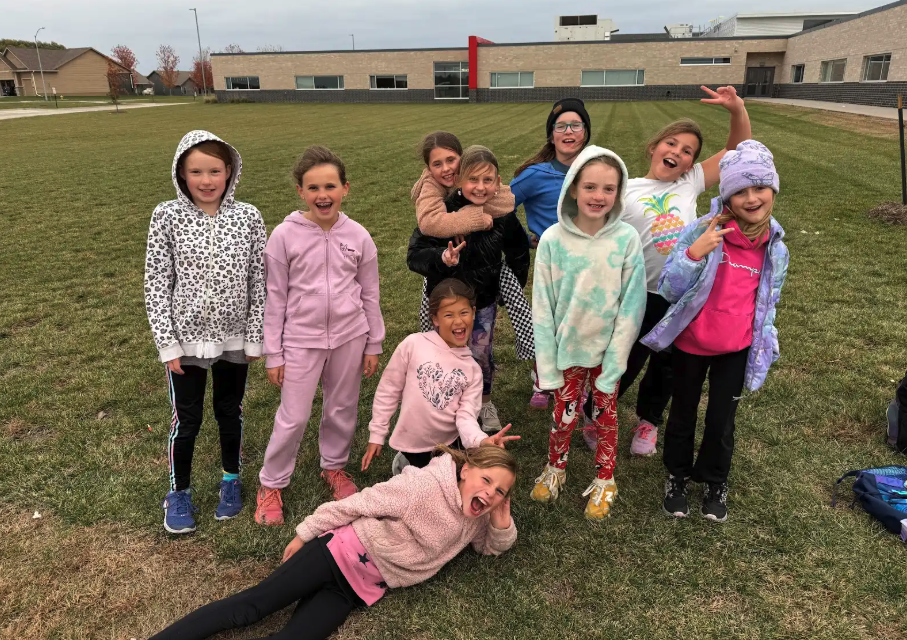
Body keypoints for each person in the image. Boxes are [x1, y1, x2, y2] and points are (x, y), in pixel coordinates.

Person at [149, 445, 517, 640]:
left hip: (356, 589)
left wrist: (501, 520)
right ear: (465, 470)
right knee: (251, 608)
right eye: (486, 480)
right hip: (332, 553)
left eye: (500, 492)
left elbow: (490, 547)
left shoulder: (477, 519)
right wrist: (306, 532)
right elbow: (360, 502)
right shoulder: (422, 487)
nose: (490, 493)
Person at [641, 140, 789, 523]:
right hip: (691, 344)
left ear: (773, 189)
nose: (751, 198)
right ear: (727, 195)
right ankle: (677, 476)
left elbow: (767, 302)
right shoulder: (700, 232)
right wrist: (694, 253)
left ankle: (714, 480)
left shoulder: (775, 248)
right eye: (740, 190)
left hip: (735, 349)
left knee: (722, 419)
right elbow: (671, 289)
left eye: (759, 188)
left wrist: (765, 342)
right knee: (683, 414)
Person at [603, 86, 752, 457]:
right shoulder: (626, 188)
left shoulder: (690, 183)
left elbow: (737, 152)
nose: (678, 153)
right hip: (634, 292)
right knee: (624, 357)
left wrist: (737, 110)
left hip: (679, 292)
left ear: (690, 166)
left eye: (687, 152)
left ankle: (649, 421)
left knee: (667, 363)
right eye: (671, 144)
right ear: (653, 147)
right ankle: (599, 413)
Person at [144, 130, 267, 534]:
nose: (207, 180)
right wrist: (167, 344)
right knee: (188, 419)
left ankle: (231, 479)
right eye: (196, 171)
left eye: (214, 170)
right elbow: (156, 282)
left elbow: (259, 280)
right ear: (182, 172)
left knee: (229, 411)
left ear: (229, 171)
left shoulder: (248, 216)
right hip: (186, 340)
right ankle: (178, 492)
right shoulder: (167, 215)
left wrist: (253, 335)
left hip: (234, 338)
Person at [255, 145, 385, 526]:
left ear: (346, 188)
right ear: (300, 192)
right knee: (293, 417)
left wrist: (373, 342)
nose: (322, 195)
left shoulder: (359, 236)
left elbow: (370, 293)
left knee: (342, 408)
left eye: (330, 186)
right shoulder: (283, 237)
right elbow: (275, 297)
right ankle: (272, 483)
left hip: (350, 336)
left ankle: (333, 467)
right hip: (299, 340)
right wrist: (273, 353)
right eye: (313, 188)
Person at [529, 145, 646, 519]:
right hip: (567, 351)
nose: (599, 196)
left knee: (605, 418)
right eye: (591, 187)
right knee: (562, 416)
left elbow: (632, 305)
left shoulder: (626, 239)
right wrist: (546, 365)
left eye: (608, 189)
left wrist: (615, 361)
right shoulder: (551, 240)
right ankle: (555, 469)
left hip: (607, 352)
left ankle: (605, 479)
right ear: (573, 189)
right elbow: (543, 307)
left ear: (619, 193)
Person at [408, 146, 530, 435]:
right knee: (442, 356)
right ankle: (443, 408)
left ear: (498, 182)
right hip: (446, 304)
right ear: (460, 180)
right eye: (473, 180)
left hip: (483, 301)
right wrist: (441, 258)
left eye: (488, 180)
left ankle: (484, 403)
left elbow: (519, 250)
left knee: (481, 354)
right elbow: (414, 255)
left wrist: (510, 284)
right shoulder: (444, 215)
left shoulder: (502, 216)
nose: (480, 187)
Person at [361, 278, 520, 474]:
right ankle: (405, 461)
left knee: (451, 488)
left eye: (464, 312)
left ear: (473, 313)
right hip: (411, 441)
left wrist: (481, 440)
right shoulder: (413, 344)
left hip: (449, 444)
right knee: (415, 491)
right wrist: (377, 433)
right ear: (435, 318)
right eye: (448, 314)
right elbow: (388, 390)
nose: (458, 321)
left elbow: (466, 417)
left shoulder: (473, 370)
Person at [510, 97, 592, 411]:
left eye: (576, 125)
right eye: (561, 126)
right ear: (552, 134)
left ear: (585, 131)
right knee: (548, 326)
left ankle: (578, 385)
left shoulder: (596, 168)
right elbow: (502, 207)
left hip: (589, 265)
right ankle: (543, 380)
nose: (568, 131)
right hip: (551, 267)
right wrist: (523, 239)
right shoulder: (534, 174)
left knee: (582, 327)